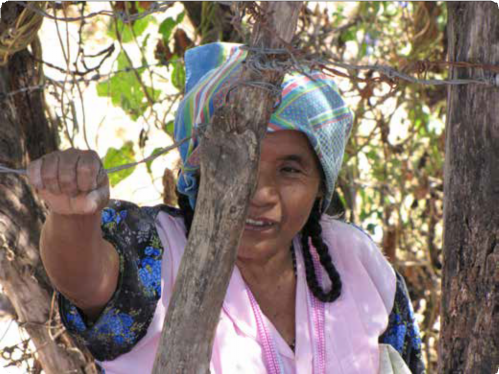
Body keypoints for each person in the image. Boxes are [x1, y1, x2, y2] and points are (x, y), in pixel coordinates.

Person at [27, 43, 425, 374]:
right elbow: (88, 281)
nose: (261, 193)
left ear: (320, 185)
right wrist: (74, 217)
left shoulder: (352, 261)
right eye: (239, 164)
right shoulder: (159, 254)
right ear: (199, 168)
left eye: (290, 169)